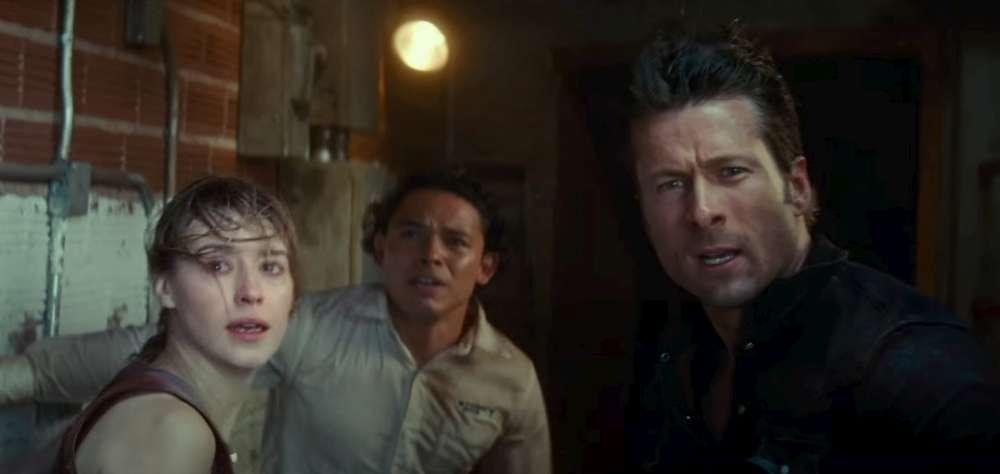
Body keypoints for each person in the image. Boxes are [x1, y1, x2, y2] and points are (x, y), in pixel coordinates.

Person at [623, 24, 1000, 473]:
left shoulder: (914, 367)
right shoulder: (673, 350)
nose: (702, 211)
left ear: (797, 188)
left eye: (732, 172)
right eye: (670, 184)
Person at [3, 168, 550, 474]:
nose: (431, 255)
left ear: (486, 266)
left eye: (455, 242)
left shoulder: (512, 379)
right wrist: (23, 375)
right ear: (381, 248)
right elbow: (158, 343)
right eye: (411, 234)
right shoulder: (313, 325)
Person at [54, 176, 296, 473]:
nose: (251, 292)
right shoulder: (172, 433)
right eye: (218, 265)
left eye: (271, 267)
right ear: (165, 286)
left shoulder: (162, 397)